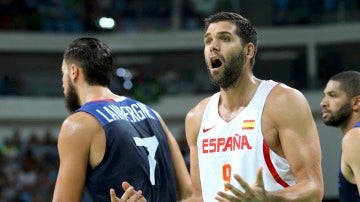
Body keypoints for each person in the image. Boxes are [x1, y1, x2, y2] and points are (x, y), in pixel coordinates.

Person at [185, 11, 324, 201]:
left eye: (224, 39)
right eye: (208, 41)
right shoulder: (197, 117)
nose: (213, 47)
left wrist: (269, 199)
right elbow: (199, 197)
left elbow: (313, 189)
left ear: (248, 51)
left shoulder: (283, 102)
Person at [52, 37, 192, 202]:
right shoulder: (153, 115)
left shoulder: (79, 124)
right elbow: (190, 195)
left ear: (74, 72)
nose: (63, 82)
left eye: (63, 73)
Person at [320, 70, 360, 202]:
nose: (323, 103)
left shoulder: (355, 138)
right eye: (324, 95)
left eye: (332, 95)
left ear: (356, 102)